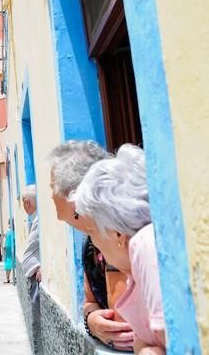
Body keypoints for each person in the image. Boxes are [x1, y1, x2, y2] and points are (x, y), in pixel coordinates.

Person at [74, 145, 165, 354]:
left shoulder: (145, 245)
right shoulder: (134, 268)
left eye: (91, 232)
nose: (93, 244)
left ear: (116, 234)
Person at [48, 140, 134, 351]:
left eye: (52, 187)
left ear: (73, 191)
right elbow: (89, 301)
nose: (50, 195)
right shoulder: (90, 244)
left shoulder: (120, 236)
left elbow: (123, 324)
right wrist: (92, 321)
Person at [21, 185, 41, 354]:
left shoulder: (39, 220)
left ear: (27, 202)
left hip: (37, 278)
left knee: (37, 322)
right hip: (33, 276)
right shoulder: (35, 219)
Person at [3, 219, 15, 284]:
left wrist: (4, 246)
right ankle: (11, 278)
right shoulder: (14, 231)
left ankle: (8, 278)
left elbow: (5, 240)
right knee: (12, 262)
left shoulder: (8, 231)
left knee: (8, 263)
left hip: (8, 248)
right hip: (12, 248)